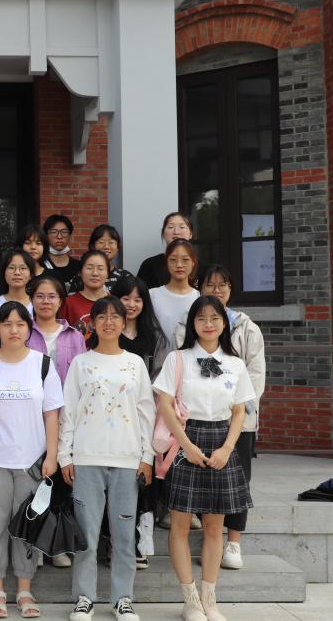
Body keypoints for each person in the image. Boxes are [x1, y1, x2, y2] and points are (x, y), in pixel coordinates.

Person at [154, 296, 255, 621]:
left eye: (214, 318)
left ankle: (210, 600)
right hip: (186, 440)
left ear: (224, 323)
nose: (208, 324)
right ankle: (190, 600)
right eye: (201, 318)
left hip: (222, 442)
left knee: (214, 527)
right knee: (181, 525)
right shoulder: (178, 358)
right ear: (192, 324)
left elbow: (239, 412)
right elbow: (165, 405)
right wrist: (186, 445)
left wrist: (227, 448)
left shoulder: (235, 364)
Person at [0, 301, 63, 620]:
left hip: (32, 462)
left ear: (29, 329)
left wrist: (52, 456)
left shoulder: (43, 364)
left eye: (20, 324)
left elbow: (52, 414)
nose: (14, 330)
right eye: (7, 324)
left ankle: (24, 589)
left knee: (27, 526)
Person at [59, 296, 154, 621]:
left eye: (116, 316)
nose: (109, 322)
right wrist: (65, 455)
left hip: (127, 459)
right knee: (86, 534)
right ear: (93, 322)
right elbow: (68, 411)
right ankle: (84, 598)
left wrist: (147, 456)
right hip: (87, 458)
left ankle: (122, 598)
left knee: (124, 535)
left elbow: (146, 412)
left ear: (124, 322)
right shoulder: (81, 363)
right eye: (102, 316)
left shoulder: (135, 363)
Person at [176, 265, 265, 571]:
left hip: (238, 419)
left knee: (237, 481)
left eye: (222, 285)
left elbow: (256, 373)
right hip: (199, 421)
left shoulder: (246, 327)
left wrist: (236, 409)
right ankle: (210, 539)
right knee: (205, 480)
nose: (216, 290)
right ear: (199, 288)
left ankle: (233, 542)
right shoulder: (186, 324)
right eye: (210, 285)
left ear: (230, 290)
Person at [111, 275, 172, 569]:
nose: (132, 304)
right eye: (126, 298)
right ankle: (112, 541)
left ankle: (140, 542)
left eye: (138, 299)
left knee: (142, 480)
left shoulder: (155, 337)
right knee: (115, 480)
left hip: (145, 418)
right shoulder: (108, 332)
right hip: (112, 418)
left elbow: (161, 379)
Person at [26, 276, 87, 388]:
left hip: (67, 398)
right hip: (30, 398)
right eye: (39, 296)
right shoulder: (24, 334)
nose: (46, 301)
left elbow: (83, 375)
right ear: (31, 300)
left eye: (52, 296)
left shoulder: (75, 337)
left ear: (60, 302)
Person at [136, 213, 207, 290]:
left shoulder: (202, 268)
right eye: (171, 227)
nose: (176, 232)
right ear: (163, 234)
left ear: (191, 234)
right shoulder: (149, 265)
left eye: (182, 227)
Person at [149, 240, 201, 343]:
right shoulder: (152, 295)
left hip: (190, 353)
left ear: (193, 263)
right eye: (173, 260)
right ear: (166, 263)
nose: (179, 265)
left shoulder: (199, 297)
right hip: (158, 354)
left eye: (185, 260)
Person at [68, 225, 133, 294]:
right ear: (93, 246)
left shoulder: (125, 277)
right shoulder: (82, 277)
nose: (106, 246)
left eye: (111, 242)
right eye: (101, 242)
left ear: (117, 248)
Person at [60, 250, 111, 339]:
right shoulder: (68, 303)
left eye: (100, 268)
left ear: (107, 274)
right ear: (80, 272)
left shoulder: (115, 304)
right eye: (89, 268)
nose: (95, 273)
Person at [0, 250, 35, 322]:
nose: (17, 272)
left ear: (31, 275)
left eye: (23, 268)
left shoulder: (37, 304)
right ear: (4, 273)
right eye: (11, 268)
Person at [43, 214, 82, 286]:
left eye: (64, 232)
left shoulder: (79, 267)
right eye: (54, 232)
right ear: (46, 235)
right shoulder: (40, 266)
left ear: (70, 235)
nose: (59, 236)